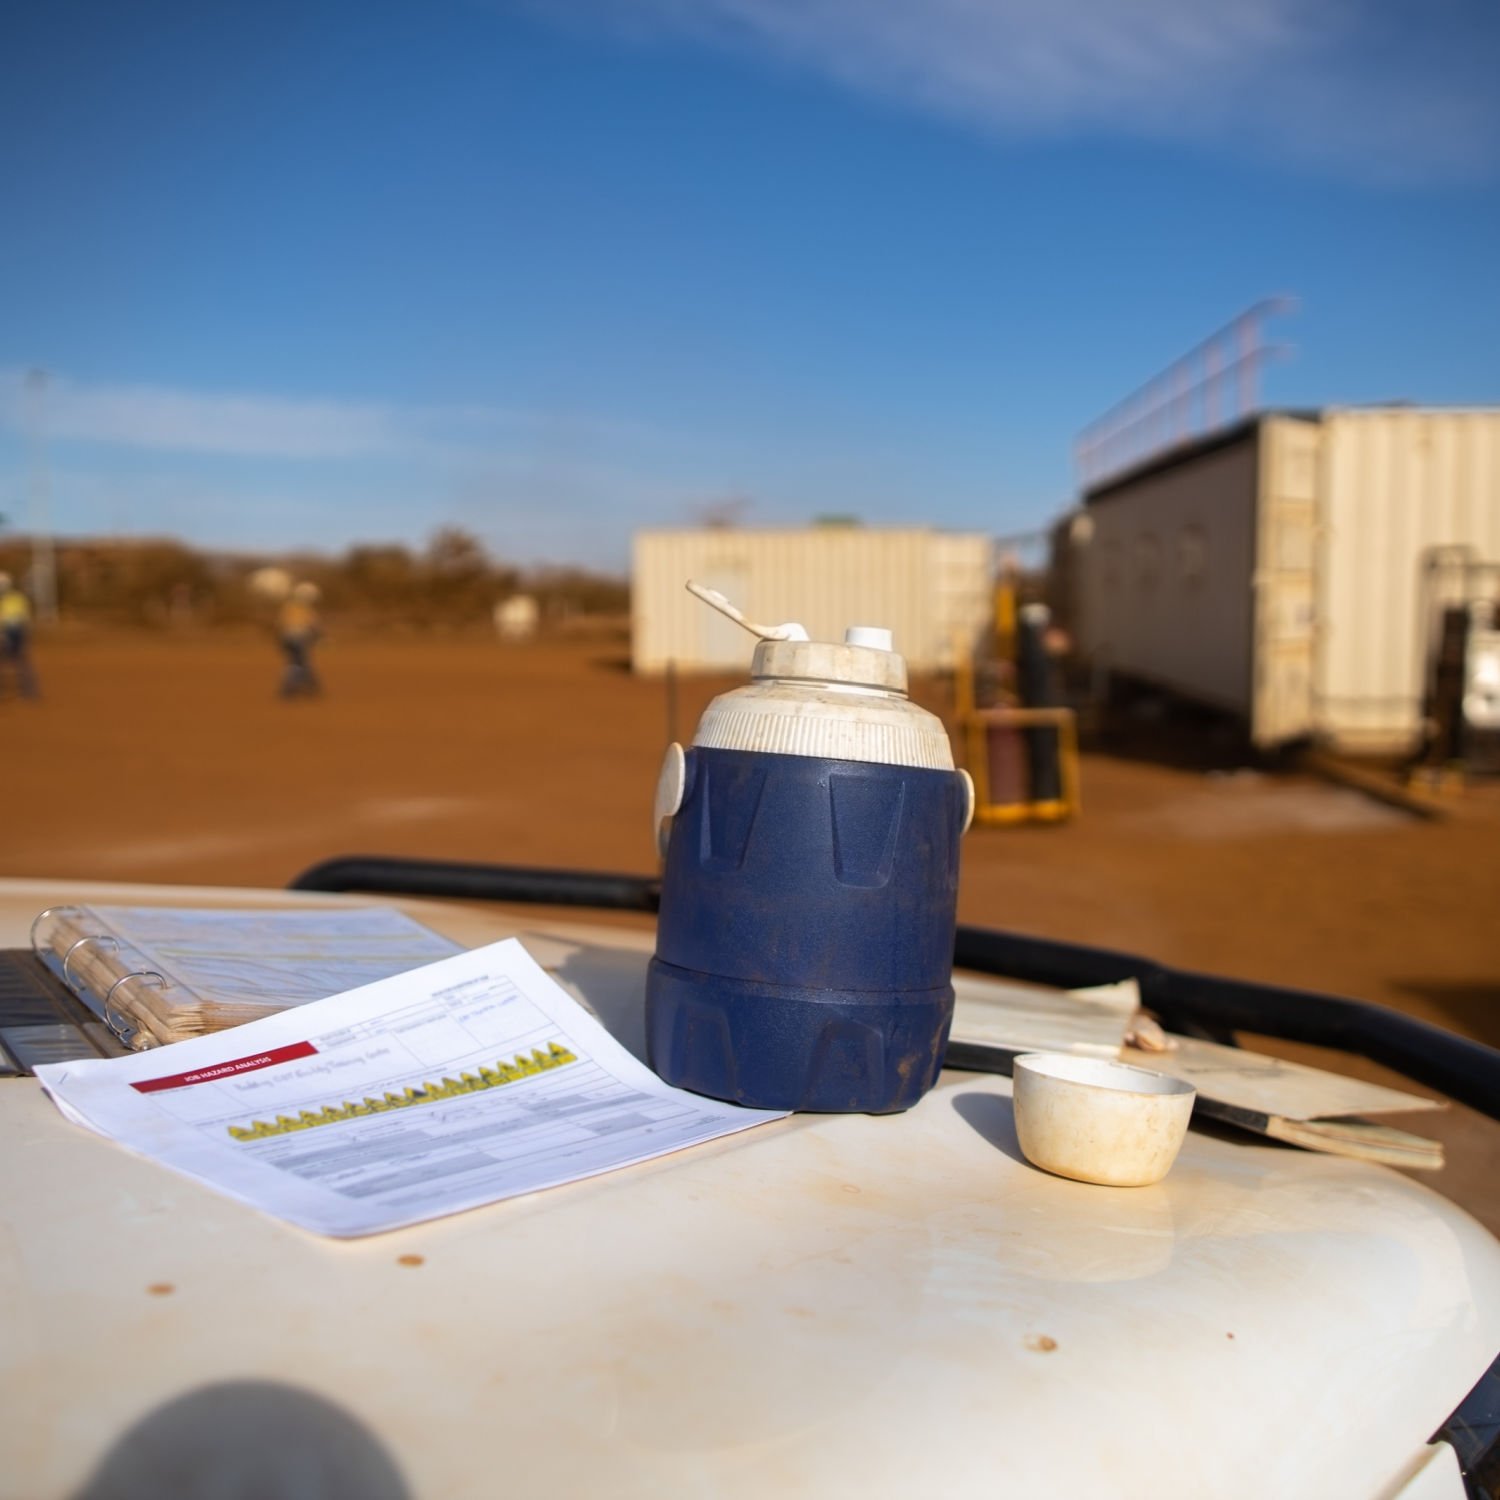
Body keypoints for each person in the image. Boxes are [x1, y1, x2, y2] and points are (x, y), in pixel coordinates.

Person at [277, 581, 323, 699]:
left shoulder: (287, 607)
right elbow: (314, 624)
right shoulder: (305, 609)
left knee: (296, 662)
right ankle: (292, 686)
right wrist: (320, 637)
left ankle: (309, 685)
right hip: (299, 639)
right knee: (299, 663)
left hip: (287, 638)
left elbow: (280, 623)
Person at [0, 572, 40, 700]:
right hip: (19, 632)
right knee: (21, 661)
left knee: (13, 662)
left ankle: (29, 691)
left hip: (8, 633)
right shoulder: (19, 598)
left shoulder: (6, 600)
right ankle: (30, 692)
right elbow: (26, 619)